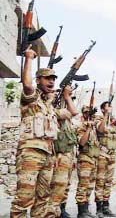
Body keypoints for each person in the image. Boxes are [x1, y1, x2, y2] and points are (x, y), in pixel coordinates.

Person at [10, 47, 75, 218]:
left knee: (43, 199)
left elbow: (70, 113)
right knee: (24, 198)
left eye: (53, 79)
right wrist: (29, 58)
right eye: (47, 78)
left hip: (48, 155)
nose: (51, 81)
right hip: (30, 153)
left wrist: (66, 96)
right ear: (38, 80)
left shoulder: (49, 107)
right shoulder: (30, 98)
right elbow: (27, 84)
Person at [47, 85, 79, 218]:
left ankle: (59, 210)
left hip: (68, 154)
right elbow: (73, 111)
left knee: (64, 185)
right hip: (58, 156)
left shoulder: (63, 115)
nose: (55, 95)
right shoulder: (53, 111)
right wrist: (66, 96)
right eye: (53, 93)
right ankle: (53, 212)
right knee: (57, 186)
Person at [94, 102, 116, 217]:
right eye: (107, 107)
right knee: (100, 181)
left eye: (110, 107)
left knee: (108, 181)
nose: (110, 108)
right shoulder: (98, 119)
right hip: (102, 153)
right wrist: (106, 115)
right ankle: (99, 208)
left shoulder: (113, 121)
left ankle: (106, 206)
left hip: (112, 154)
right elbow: (100, 130)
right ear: (102, 109)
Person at [75, 106, 100, 218]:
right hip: (85, 159)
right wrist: (88, 128)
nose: (87, 115)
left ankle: (86, 208)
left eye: (89, 113)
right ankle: (81, 211)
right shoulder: (81, 126)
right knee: (83, 185)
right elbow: (82, 142)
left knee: (90, 186)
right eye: (85, 113)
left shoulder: (95, 127)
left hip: (93, 159)